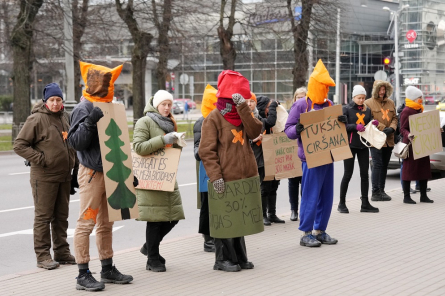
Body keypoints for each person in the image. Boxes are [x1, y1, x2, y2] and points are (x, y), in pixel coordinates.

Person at [68, 62, 133, 291]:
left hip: (112, 173)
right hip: (92, 174)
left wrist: (128, 173)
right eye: (108, 85)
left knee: (106, 224)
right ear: (99, 86)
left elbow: (120, 143)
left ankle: (107, 267)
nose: (111, 89)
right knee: (86, 223)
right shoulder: (83, 108)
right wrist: (90, 120)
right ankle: (82, 274)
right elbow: (75, 143)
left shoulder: (110, 107)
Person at [200, 70, 262, 271]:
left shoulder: (243, 114)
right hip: (225, 177)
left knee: (240, 219)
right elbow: (206, 151)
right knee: (225, 220)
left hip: (245, 176)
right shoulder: (213, 118)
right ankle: (222, 259)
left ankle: (240, 256)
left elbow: (255, 131)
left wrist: (243, 109)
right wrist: (215, 177)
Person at [13, 83, 77, 270]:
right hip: (44, 176)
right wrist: (41, 158)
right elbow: (19, 145)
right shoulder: (37, 119)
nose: (56, 103)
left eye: (58, 100)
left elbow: (70, 142)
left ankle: (62, 252)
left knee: (61, 216)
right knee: (43, 217)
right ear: (45, 101)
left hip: (64, 176)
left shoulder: (65, 117)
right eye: (52, 100)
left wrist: (74, 165)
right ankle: (42, 256)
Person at [284, 59, 339, 248]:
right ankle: (306, 233)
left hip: (328, 156)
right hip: (310, 158)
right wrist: (297, 129)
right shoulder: (300, 105)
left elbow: (337, 130)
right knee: (311, 195)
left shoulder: (329, 103)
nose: (326, 91)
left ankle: (320, 230)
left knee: (327, 195)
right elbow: (288, 129)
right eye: (323, 87)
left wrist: (341, 121)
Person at [133, 90, 185, 272]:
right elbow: (138, 147)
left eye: (169, 104)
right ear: (156, 105)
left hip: (167, 175)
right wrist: (163, 140)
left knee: (173, 217)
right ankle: (152, 258)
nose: (167, 108)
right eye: (164, 104)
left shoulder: (171, 121)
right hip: (151, 177)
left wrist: (178, 143)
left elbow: (168, 148)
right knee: (155, 219)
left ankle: (149, 247)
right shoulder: (144, 121)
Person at [338, 85, 379, 214]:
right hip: (350, 145)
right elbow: (342, 127)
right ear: (354, 97)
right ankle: (341, 203)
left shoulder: (367, 110)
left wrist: (373, 124)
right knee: (348, 174)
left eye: (363, 98)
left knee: (364, 175)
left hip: (363, 145)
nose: (361, 100)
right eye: (359, 98)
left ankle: (365, 203)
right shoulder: (347, 109)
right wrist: (355, 127)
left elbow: (368, 123)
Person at [399, 86, 434, 204]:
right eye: (419, 97)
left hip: (421, 143)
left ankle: (423, 196)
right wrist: (408, 134)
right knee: (408, 170)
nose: (421, 99)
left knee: (424, 169)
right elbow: (402, 128)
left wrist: (435, 129)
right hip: (411, 145)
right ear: (414, 98)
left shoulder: (419, 109)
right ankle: (406, 197)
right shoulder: (407, 110)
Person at [364, 80, 398, 202]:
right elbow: (370, 119)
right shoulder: (368, 103)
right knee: (377, 164)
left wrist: (392, 128)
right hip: (376, 139)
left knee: (384, 165)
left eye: (384, 90)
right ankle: (375, 192)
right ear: (375, 90)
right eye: (380, 89)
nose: (382, 92)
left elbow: (395, 118)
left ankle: (382, 191)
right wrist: (384, 128)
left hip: (389, 139)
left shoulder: (391, 102)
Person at [193, 84, 217, 252]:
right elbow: (196, 150)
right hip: (206, 171)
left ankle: (216, 235)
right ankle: (208, 239)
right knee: (207, 206)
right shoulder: (201, 122)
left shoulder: (217, 120)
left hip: (218, 168)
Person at [254, 95, 285, 225]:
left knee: (274, 185)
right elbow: (270, 122)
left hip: (273, 156)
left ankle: (272, 214)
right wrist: (273, 106)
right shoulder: (259, 119)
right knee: (265, 186)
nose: (270, 110)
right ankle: (263, 215)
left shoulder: (265, 117)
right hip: (262, 157)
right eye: (268, 107)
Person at [288, 87, 306, 221]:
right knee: (293, 182)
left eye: (303, 97)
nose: (300, 100)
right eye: (298, 97)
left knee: (304, 182)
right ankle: (293, 209)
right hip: (291, 152)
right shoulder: (291, 113)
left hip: (304, 152)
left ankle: (303, 209)